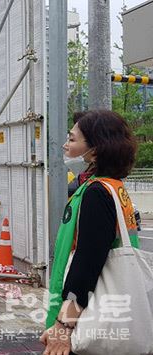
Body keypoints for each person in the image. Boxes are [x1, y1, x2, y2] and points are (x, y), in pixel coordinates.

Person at [41, 110, 139, 355]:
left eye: (72, 139)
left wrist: (63, 325)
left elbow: (86, 264)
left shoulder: (96, 193)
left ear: (94, 150)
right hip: (113, 305)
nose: (65, 145)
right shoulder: (115, 188)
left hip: (92, 313)